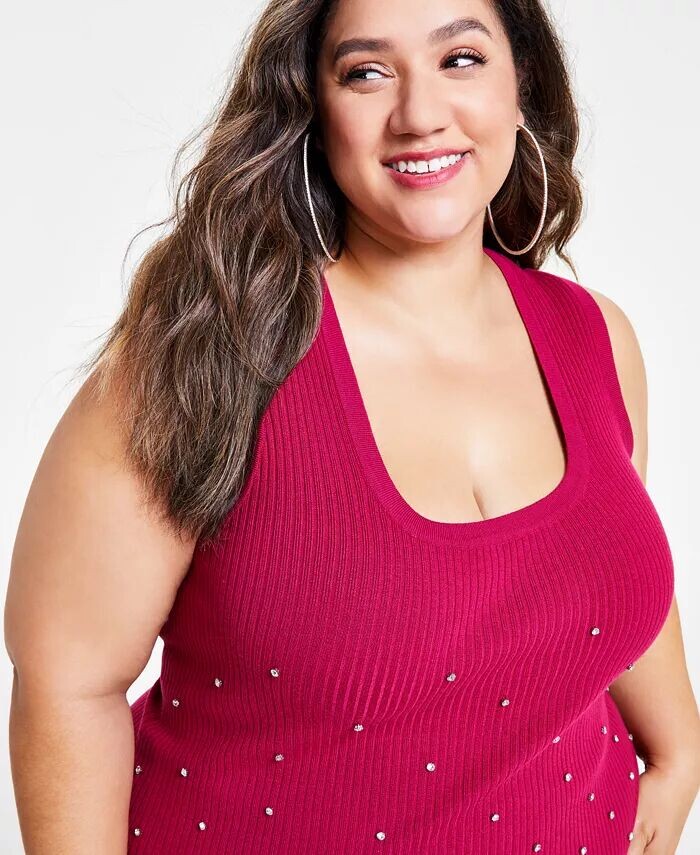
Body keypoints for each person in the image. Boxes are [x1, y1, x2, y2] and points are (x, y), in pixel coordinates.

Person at [6, 0, 700, 853]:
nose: (420, 113)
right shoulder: (205, 356)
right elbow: (69, 679)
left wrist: (679, 750)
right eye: (367, 72)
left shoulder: (594, 337)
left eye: (461, 59)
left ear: (523, 82)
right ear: (313, 109)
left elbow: (600, 563)